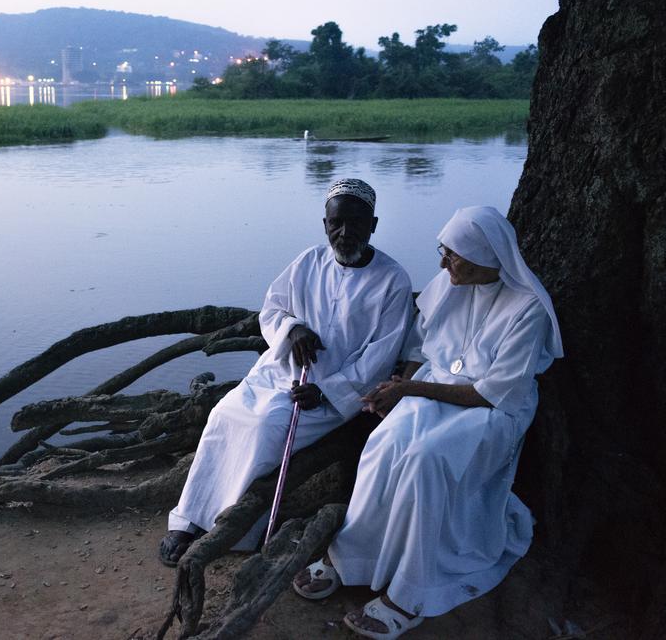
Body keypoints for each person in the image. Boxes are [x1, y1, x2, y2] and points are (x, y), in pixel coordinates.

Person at [292, 206, 563, 640]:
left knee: (426, 459)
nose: (442, 264)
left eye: (453, 256)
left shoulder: (527, 309)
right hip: (434, 388)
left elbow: (490, 393)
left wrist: (410, 391)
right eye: (444, 251)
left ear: (486, 256)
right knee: (385, 441)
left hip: (493, 411)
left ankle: (410, 593)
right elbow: (423, 348)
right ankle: (352, 557)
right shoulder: (449, 283)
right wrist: (398, 386)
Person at [158, 179, 414, 566]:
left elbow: (380, 356)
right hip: (278, 372)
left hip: (330, 395)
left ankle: (230, 527)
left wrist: (328, 392)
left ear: (374, 225)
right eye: (336, 224)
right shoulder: (308, 261)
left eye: (356, 224)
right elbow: (272, 310)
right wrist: (293, 329)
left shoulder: (393, 280)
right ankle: (187, 519)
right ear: (325, 223)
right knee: (223, 415)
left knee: (265, 427)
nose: (344, 234)